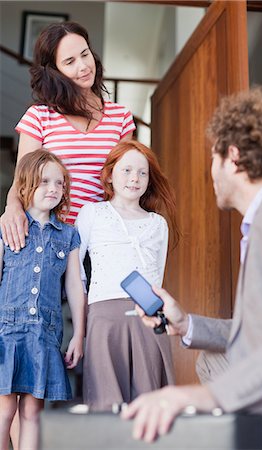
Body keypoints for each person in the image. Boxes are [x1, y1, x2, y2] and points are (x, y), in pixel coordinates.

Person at [121, 88, 262, 450]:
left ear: (232, 157)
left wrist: (208, 397)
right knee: (210, 358)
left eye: (213, 156)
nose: (211, 170)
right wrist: (186, 324)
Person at [0, 21, 135, 252]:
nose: (83, 66)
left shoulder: (120, 117)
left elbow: (126, 185)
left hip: (102, 240)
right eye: (70, 62)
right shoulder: (39, 117)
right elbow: (23, 181)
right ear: (54, 71)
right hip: (49, 236)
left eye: (85, 55)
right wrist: (12, 208)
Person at [76, 139, 180, 411]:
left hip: (148, 317)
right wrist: (80, 323)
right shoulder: (92, 213)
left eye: (142, 173)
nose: (135, 178)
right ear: (110, 174)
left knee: (151, 403)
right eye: (127, 170)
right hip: (103, 316)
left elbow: (158, 278)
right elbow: (75, 273)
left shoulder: (158, 224)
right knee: (106, 403)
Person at [0, 150, 85, 450]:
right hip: (6, 333)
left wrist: (79, 335)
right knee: (4, 410)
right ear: (24, 186)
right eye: (44, 181)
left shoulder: (69, 236)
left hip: (44, 335)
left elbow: (75, 286)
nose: (53, 188)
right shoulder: (7, 228)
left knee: (32, 412)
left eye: (59, 183)